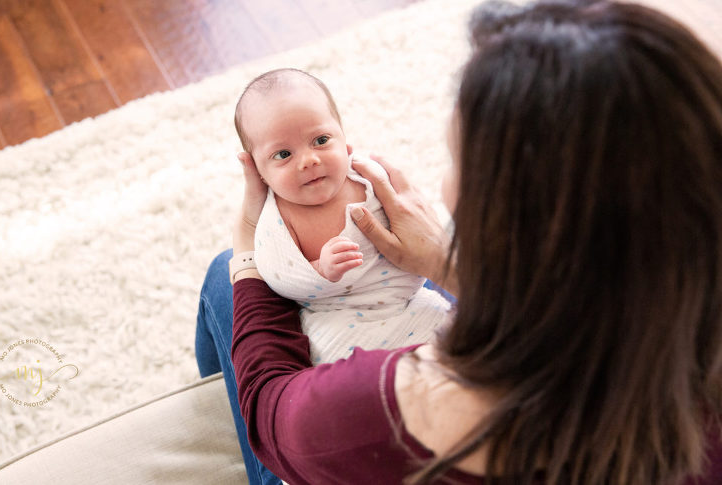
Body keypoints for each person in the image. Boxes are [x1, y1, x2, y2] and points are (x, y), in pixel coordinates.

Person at [196, 0, 722, 483]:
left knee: (226, 277)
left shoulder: (387, 409)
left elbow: (270, 412)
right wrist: (448, 267)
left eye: (456, 162)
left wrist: (248, 250)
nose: (442, 192)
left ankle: (208, 405)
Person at [232, 68, 453, 365]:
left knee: (453, 332)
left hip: (410, 302)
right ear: (259, 172)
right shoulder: (277, 219)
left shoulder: (366, 177)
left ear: (345, 141)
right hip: (340, 317)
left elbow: (415, 219)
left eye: (321, 140)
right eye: (284, 155)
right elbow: (276, 275)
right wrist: (320, 268)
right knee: (328, 352)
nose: (309, 160)